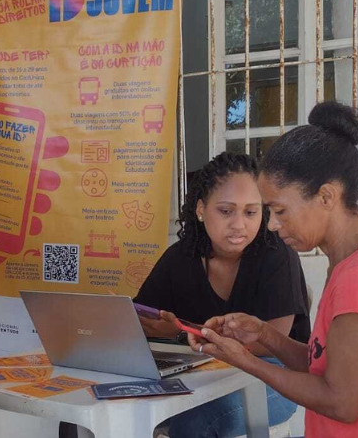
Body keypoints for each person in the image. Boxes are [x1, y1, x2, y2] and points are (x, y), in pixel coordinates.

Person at [189, 101, 358, 437]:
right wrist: (265, 335)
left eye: (280, 210)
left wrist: (247, 361)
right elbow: (324, 368)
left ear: (326, 197)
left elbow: (342, 401)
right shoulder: (347, 265)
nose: (271, 225)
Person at [132, 152, 310, 438]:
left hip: (277, 376)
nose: (239, 225)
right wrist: (160, 330)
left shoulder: (277, 255)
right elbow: (141, 318)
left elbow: (272, 343)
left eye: (251, 212)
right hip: (205, 371)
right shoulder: (180, 258)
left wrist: (182, 335)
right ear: (201, 210)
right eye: (226, 211)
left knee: (198, 422)